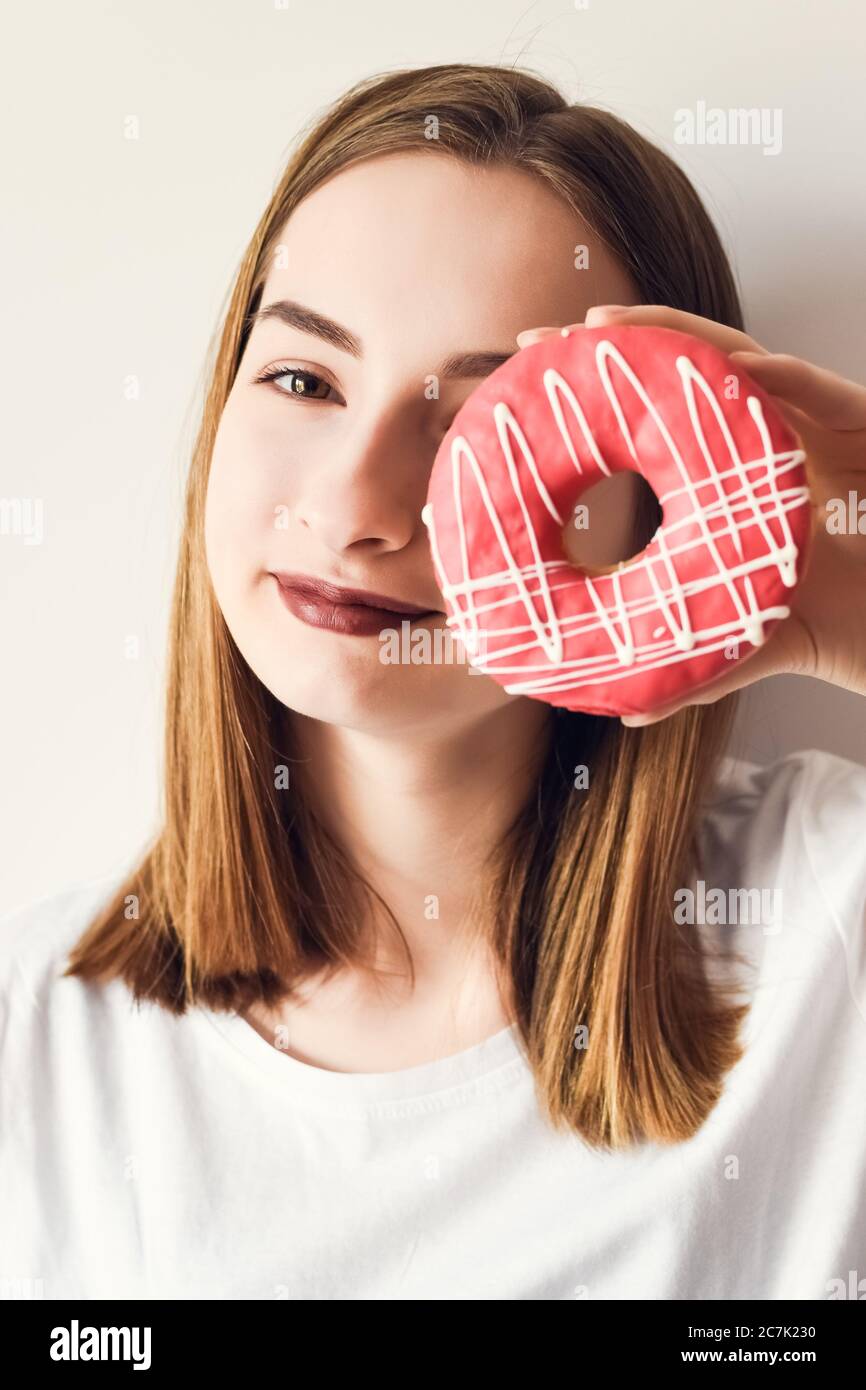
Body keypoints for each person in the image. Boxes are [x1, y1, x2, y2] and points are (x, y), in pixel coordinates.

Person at [1, 62, 865, 1302]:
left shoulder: (816, 940)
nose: (354, 506)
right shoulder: (38, 1041)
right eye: (303, 379)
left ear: (648, 507)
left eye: (475, 429)